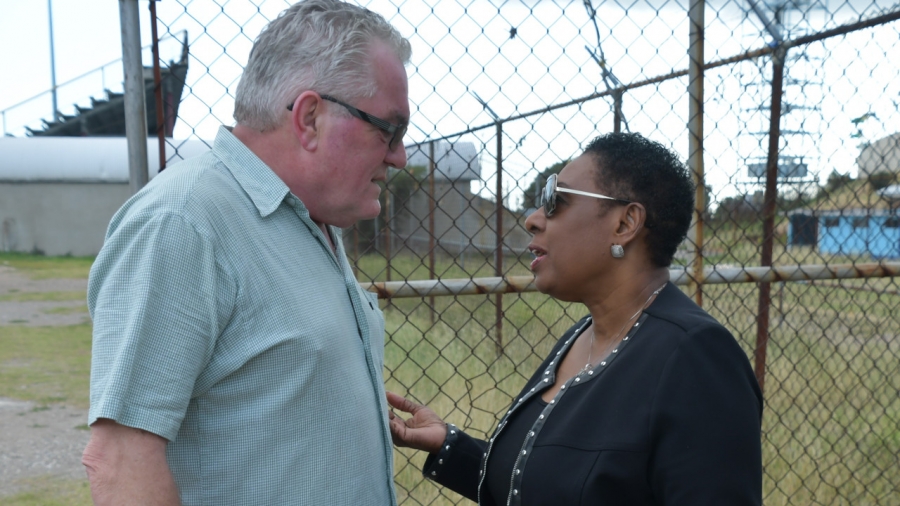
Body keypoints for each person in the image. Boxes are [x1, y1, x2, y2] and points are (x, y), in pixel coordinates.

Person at [81, 1, 411, 504]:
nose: (399, 156)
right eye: (389, 129)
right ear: (310, 118)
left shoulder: (306, 217)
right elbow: (122, 460)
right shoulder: (184, 223)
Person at [388, 132, 763, 505]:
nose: (534, 220)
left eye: (557, 201)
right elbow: (550, 485)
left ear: (624, 223)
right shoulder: (581, 337)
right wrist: (449, 445)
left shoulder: (695, 357)